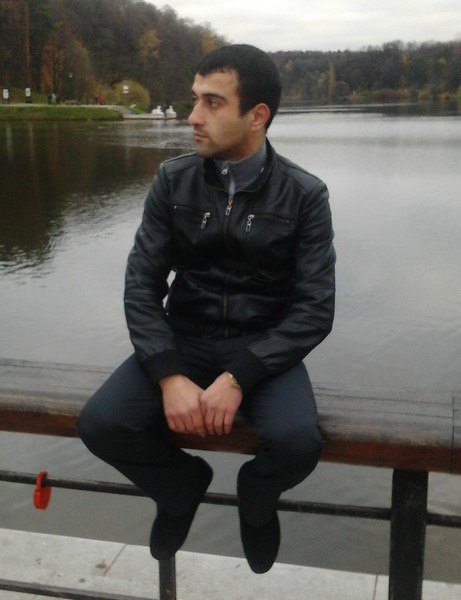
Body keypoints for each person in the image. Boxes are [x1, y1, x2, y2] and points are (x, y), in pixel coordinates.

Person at [78, 44, 335, 574]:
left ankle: (256, 498)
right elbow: (141, 285)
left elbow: (314, 309)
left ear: (256, 116)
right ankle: (179, 486)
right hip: (185, 338)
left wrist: (240, 376)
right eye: (194, 99)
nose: (192, 116)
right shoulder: (173, 181)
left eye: (212, 103)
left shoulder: (304, 195)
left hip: (263, 347)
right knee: (102, 424)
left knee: (296, 443)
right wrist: (168, 373)